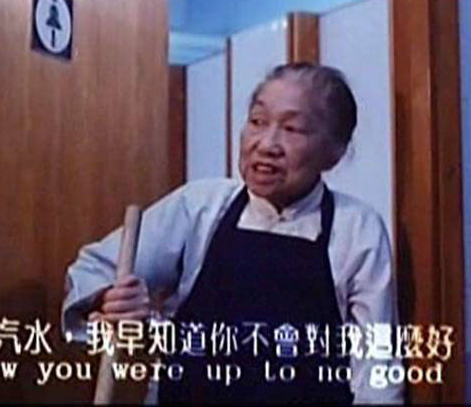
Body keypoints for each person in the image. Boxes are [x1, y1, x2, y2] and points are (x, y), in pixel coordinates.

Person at [61, 62, 404, 404]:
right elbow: (93, 268)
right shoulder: (200, 206)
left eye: (293, 129)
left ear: (335, 152)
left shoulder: (357, 228)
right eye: (257, 121)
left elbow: (376, 371)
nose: (267, 144)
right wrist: (108, 298)